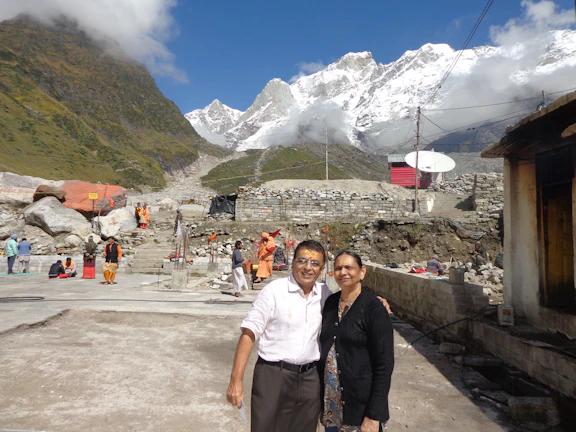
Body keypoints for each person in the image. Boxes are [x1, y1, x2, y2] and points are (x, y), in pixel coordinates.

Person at [226, 240, 332, 432]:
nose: (308, 268)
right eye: (302, 261)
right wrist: (236, 381)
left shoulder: (324, 294)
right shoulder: (274, 291)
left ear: (322, 269)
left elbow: (348, 306)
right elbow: (249, 333)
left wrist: (376, 304)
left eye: (315, 263)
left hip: (310, 378)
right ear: (292, 263)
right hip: (273, 375)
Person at [319, 251, 394, 432]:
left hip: (361, 411)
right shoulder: (330, 303)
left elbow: (384, 365)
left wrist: (374, 415)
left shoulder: (374, 308)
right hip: (332, 409)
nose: (343, 272)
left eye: (349, 267)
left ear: (362, 272)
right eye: (338, 268)